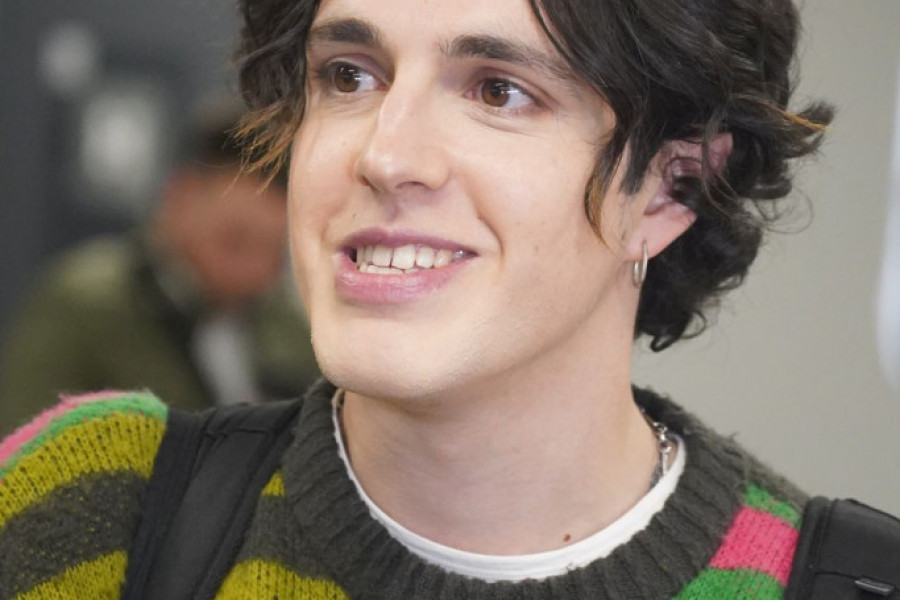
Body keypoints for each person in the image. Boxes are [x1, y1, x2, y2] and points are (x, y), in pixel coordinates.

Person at [0, 0, 841, 598]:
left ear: (669, 188)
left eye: (498, 90)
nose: (383, 155)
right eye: (349, 75)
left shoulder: (836, 581)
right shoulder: (96, 510)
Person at [0, 107, 320, 435]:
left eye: (274, 254)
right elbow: (23, 442)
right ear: (180, 199)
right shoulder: (88, 307)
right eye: (234, 243)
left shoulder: (287, 326)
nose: (254, 274)